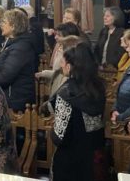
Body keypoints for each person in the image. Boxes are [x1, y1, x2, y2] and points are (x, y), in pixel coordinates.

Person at [50, 43, 105, 181]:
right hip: (93, 156)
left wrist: (51, 131)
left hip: (69, 160)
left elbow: (59, 137)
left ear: (69, 67)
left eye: (63, 62)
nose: (61, 65)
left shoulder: (66, 93)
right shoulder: (99, 87)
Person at [0, 9, 36, 111]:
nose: (1, 25)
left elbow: (4, 78)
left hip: (15, 101)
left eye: (4, 22)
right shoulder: (13, 44)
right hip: (9, 97)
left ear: (13, 26)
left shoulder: (20, 48)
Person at [36, 22, 83, 97]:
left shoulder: (71, 53)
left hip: (63, 89)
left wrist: (44, 73)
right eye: (56, 34)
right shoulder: (59, 48)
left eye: (59, 35)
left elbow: (62, 73)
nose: (55, 37)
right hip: (57, 86)